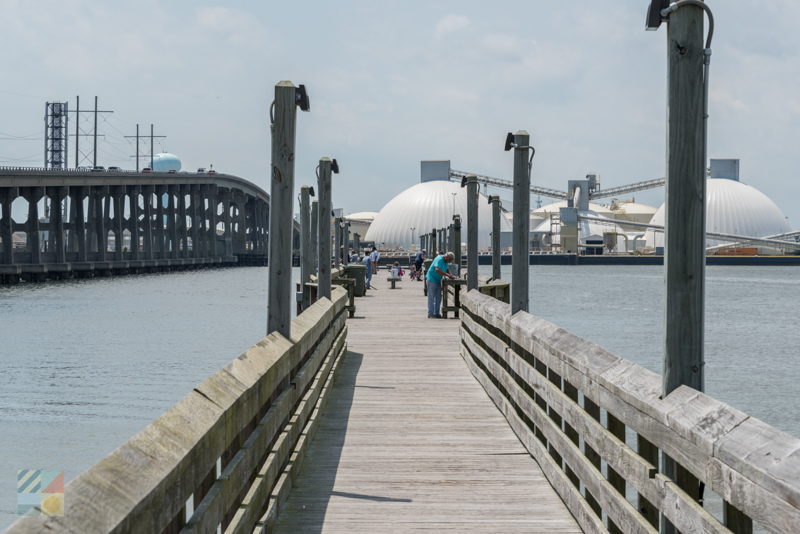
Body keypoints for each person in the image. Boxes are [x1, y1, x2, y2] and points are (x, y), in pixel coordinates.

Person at [426, 252, 457, 318]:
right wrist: (447, 275)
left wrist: (450, 275)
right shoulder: (439, 259)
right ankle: (431, 314)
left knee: (438, 297)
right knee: (431, 297)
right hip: (431, 279)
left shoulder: (446, 261)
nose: (449, 262)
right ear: (446, 257)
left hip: (437, 280)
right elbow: (437, 270)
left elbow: (447, 268)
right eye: (449, 260)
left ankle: (436, 313)